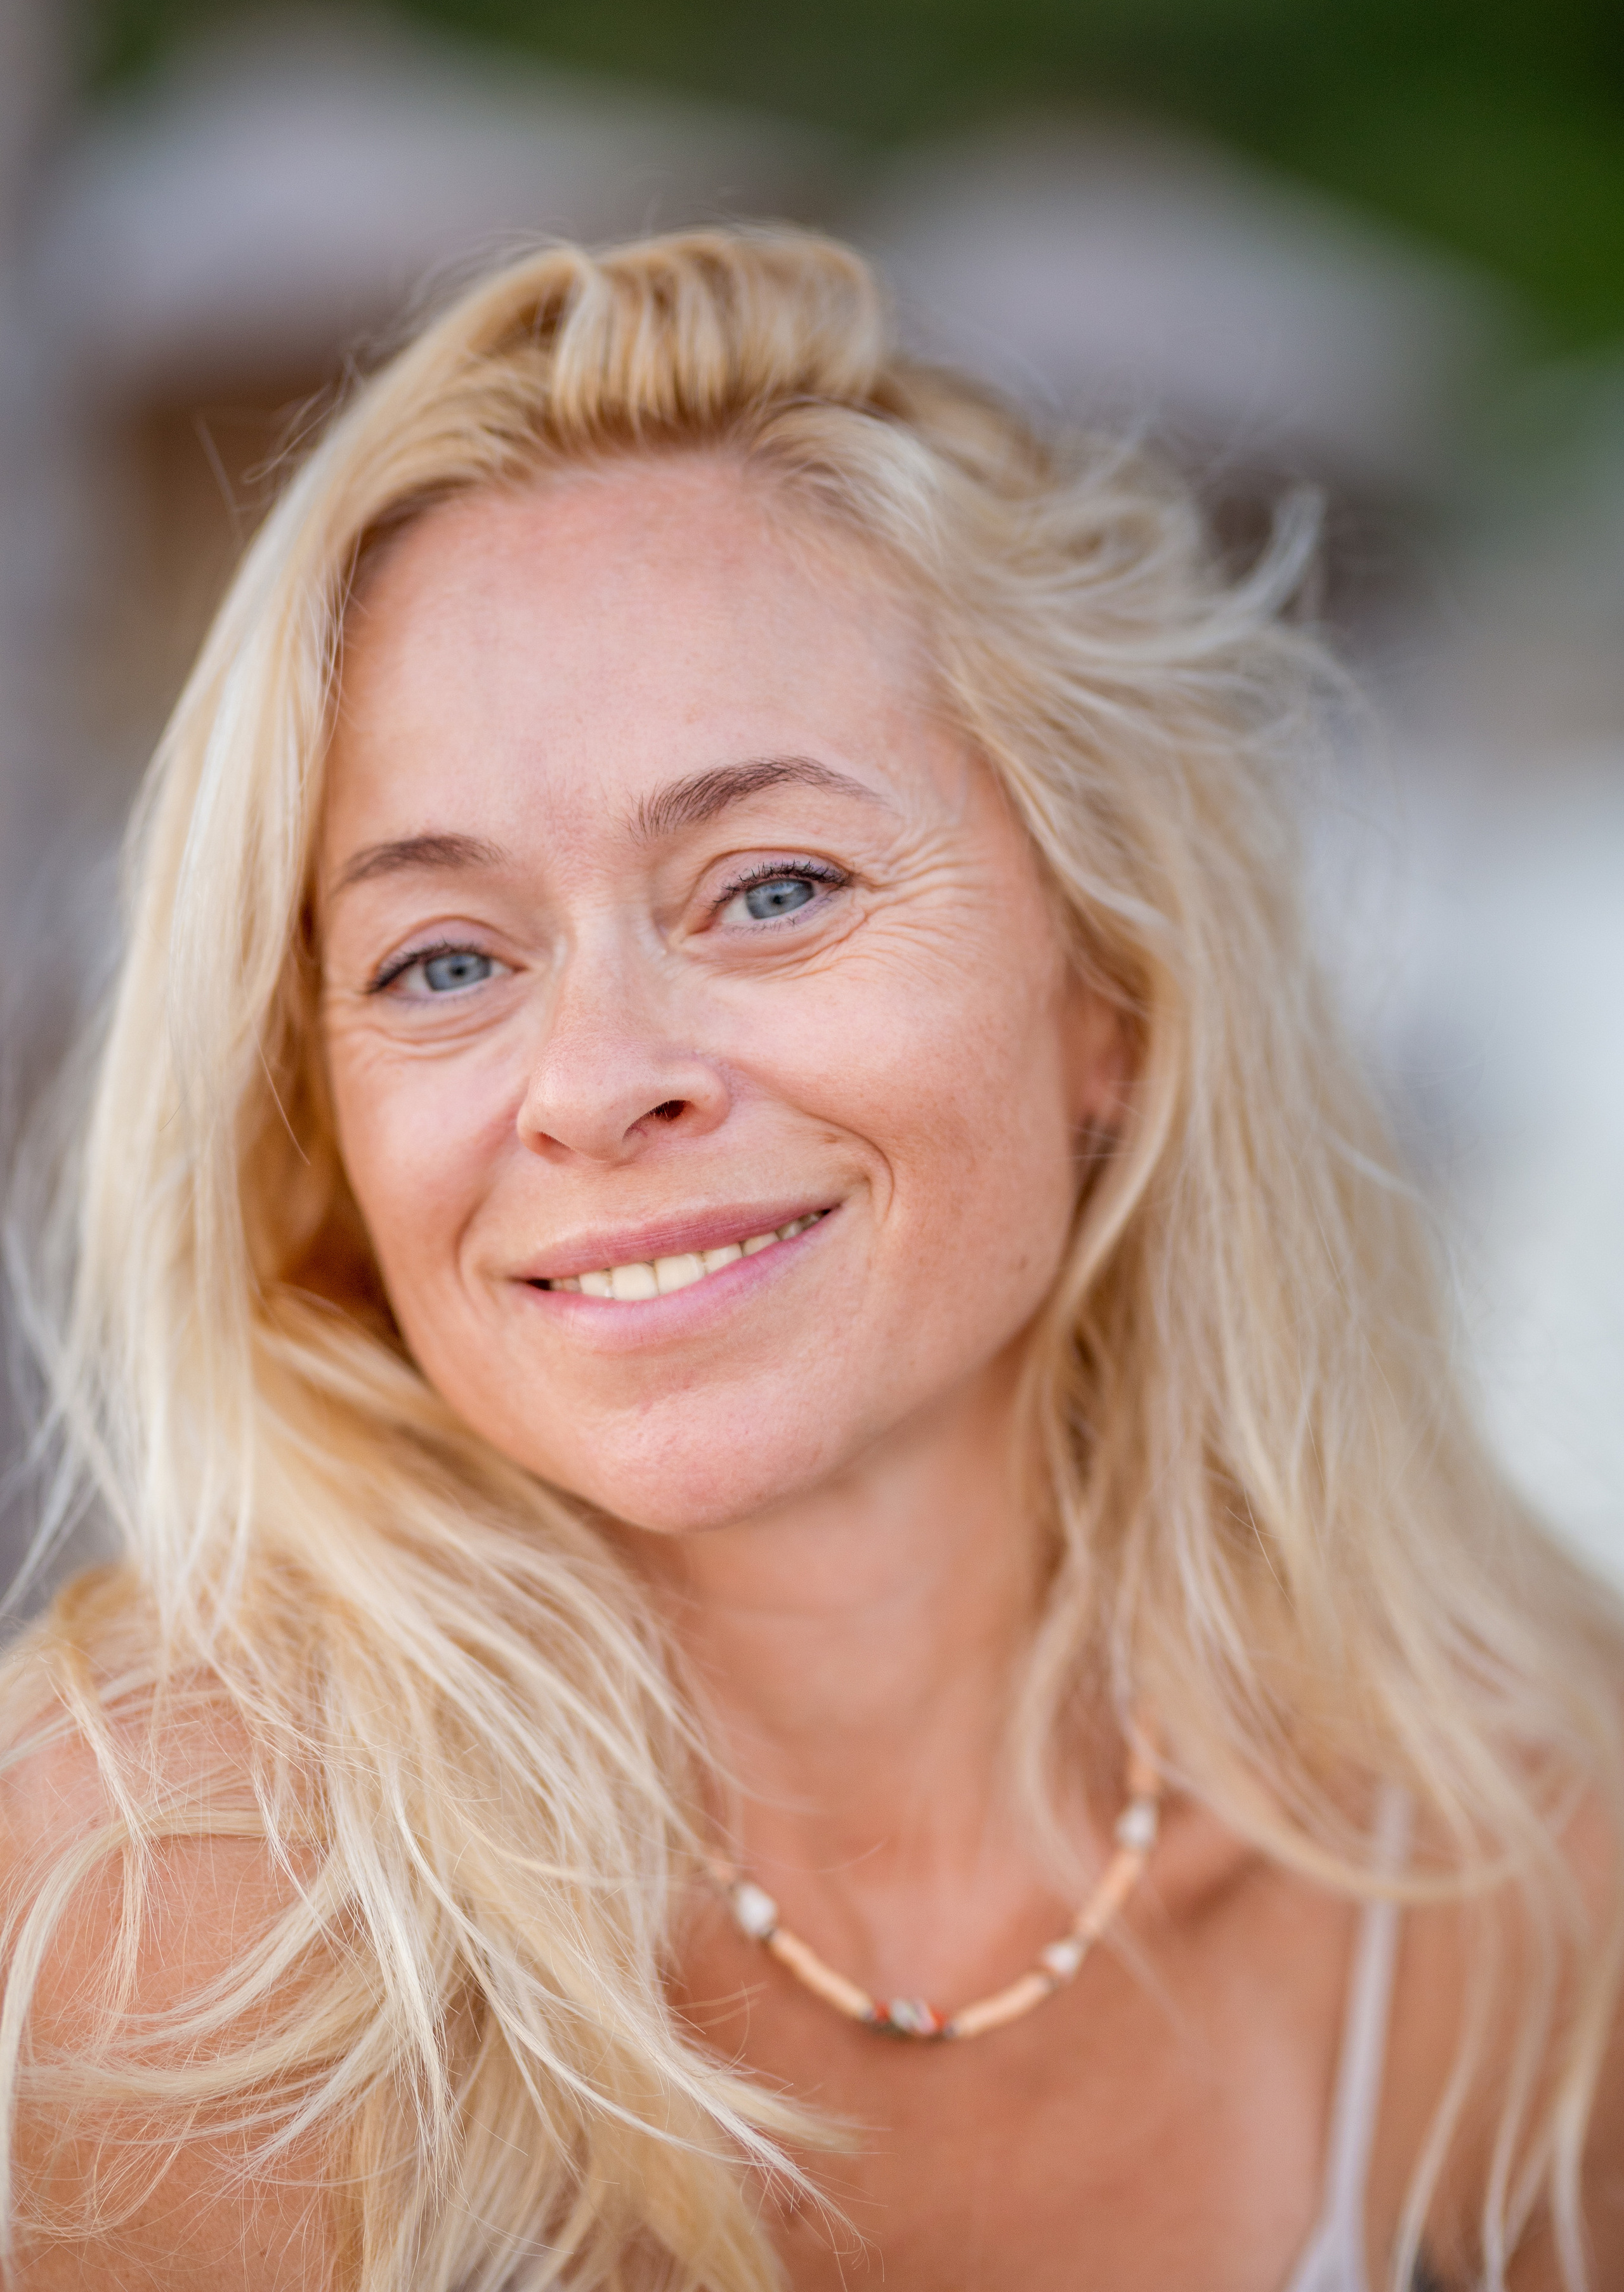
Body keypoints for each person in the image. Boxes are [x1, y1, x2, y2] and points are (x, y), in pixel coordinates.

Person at [0, 228, 1619, 2291]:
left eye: (771, 887)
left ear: (1106, 986)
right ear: (321, 1129)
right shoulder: (180, 1915)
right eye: (446, 957)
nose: (592, 1083)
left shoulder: (1517, 1853)